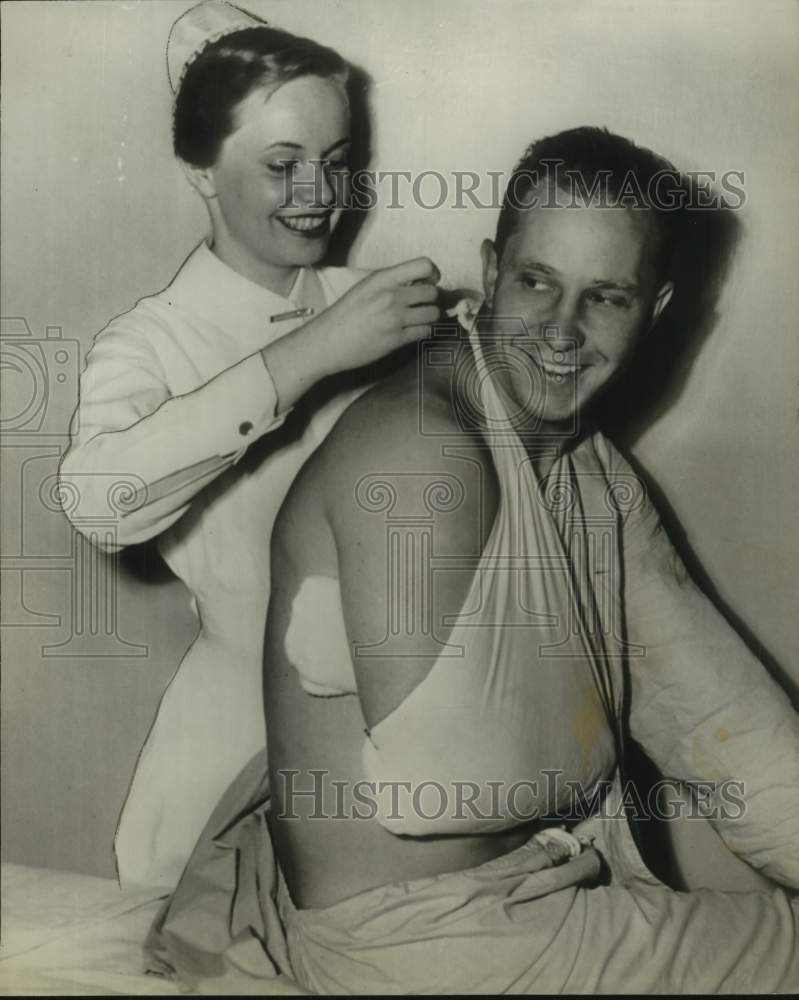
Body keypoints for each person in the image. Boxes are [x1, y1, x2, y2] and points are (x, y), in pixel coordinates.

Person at [148, 128, 799, 993]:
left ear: (655, 307)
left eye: (605, 297)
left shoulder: (582, 465)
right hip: (418, 941)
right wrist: (599, 759)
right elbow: (448, 783)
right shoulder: (424, 455)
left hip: (520, 896)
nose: (561, 331)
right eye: (536, 282)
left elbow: (724, 726)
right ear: (491, 272)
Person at [58, 0, 440, 889]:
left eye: (335, 162)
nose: (318, 194)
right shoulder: (150, 343)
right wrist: (308, 355)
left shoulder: (383, 303)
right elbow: (98, 502)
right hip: (235, 737)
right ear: (200, 170)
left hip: (405, 721)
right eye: (281, 165)